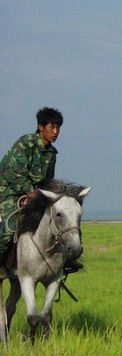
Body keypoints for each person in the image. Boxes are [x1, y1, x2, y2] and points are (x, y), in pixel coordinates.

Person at [0, 107, 81, 273]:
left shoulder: (51, 153)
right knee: (9, 229)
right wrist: (32, 192)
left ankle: (66, 260)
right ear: (41, 127)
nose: (56, 131)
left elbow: (47, 181)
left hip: (35, 195)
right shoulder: (25, 143)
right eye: (52, 127)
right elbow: (13, 172)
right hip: (8, 192)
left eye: (58, 128)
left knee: (59, 222)